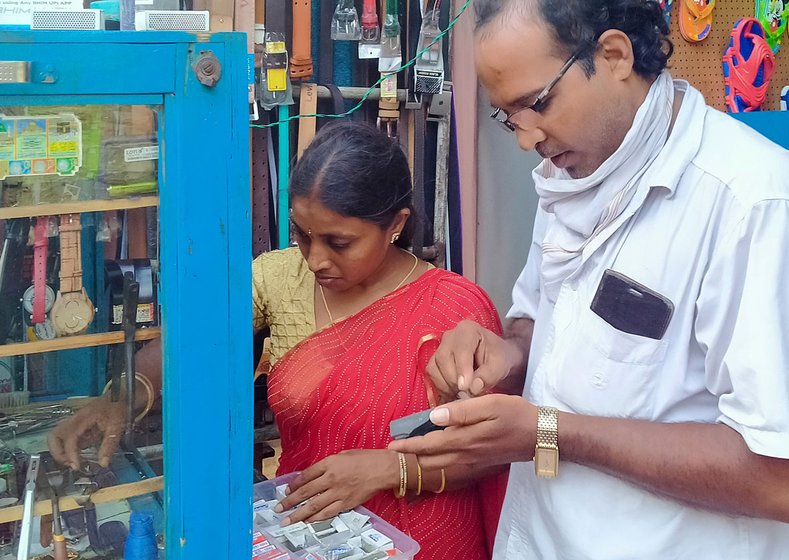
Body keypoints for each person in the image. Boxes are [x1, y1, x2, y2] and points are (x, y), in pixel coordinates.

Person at [389, 0, 789, 558]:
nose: (526, 139)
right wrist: (504, 354)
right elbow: (543, 319)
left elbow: (776, 476)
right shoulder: (570, 172)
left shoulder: (751, 203)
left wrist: (548, 432)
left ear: (614, 55)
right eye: (508, 117)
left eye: (536, 104)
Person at [49, 121, 507, 559]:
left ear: (396, 224)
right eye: (302, 236)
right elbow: (190, 342)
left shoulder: (453, 308)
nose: (315, 259)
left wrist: (392, 469)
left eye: (339, 242)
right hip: (304, 534)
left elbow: (494, 449)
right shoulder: (277, 276)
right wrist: (123, 398)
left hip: (425, 538)